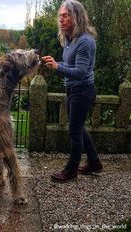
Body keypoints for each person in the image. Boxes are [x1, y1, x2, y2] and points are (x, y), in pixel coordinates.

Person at [41, 0, 103, 182]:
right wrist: (57, 63)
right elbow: (71, 65)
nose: (61, 19)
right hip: (73, 90)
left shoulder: (85, 41)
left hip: (83, 91)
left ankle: (71, 170)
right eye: (60, 15)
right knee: (78, 127)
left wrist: (57, 67)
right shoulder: (69, 39)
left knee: (74, 131)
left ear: (76, 17)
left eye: (66, 15)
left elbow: (81, 72)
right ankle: (94, 162)